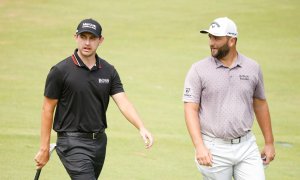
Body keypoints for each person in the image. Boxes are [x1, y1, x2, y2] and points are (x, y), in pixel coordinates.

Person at [34, 18, 153, 179]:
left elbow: (123, 102)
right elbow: (47, 109)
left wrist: (141, 127)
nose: (87, 42)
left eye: (92, 38)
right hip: (71, 142)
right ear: (76, 37)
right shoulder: (60, 71)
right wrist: (43, 148)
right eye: (83, 37)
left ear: (100, 40)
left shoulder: (108, 71)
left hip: (99, 142)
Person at [182, 17, 275, 180]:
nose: (211, 42)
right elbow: (191, 108)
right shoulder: (198, 70)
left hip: (246, 146)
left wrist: (269, 142)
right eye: (210, 37)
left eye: (217, 38)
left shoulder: (252, 68)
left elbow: (260, 103)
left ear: (232, 41)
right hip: (214, 148)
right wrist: (199, 146)